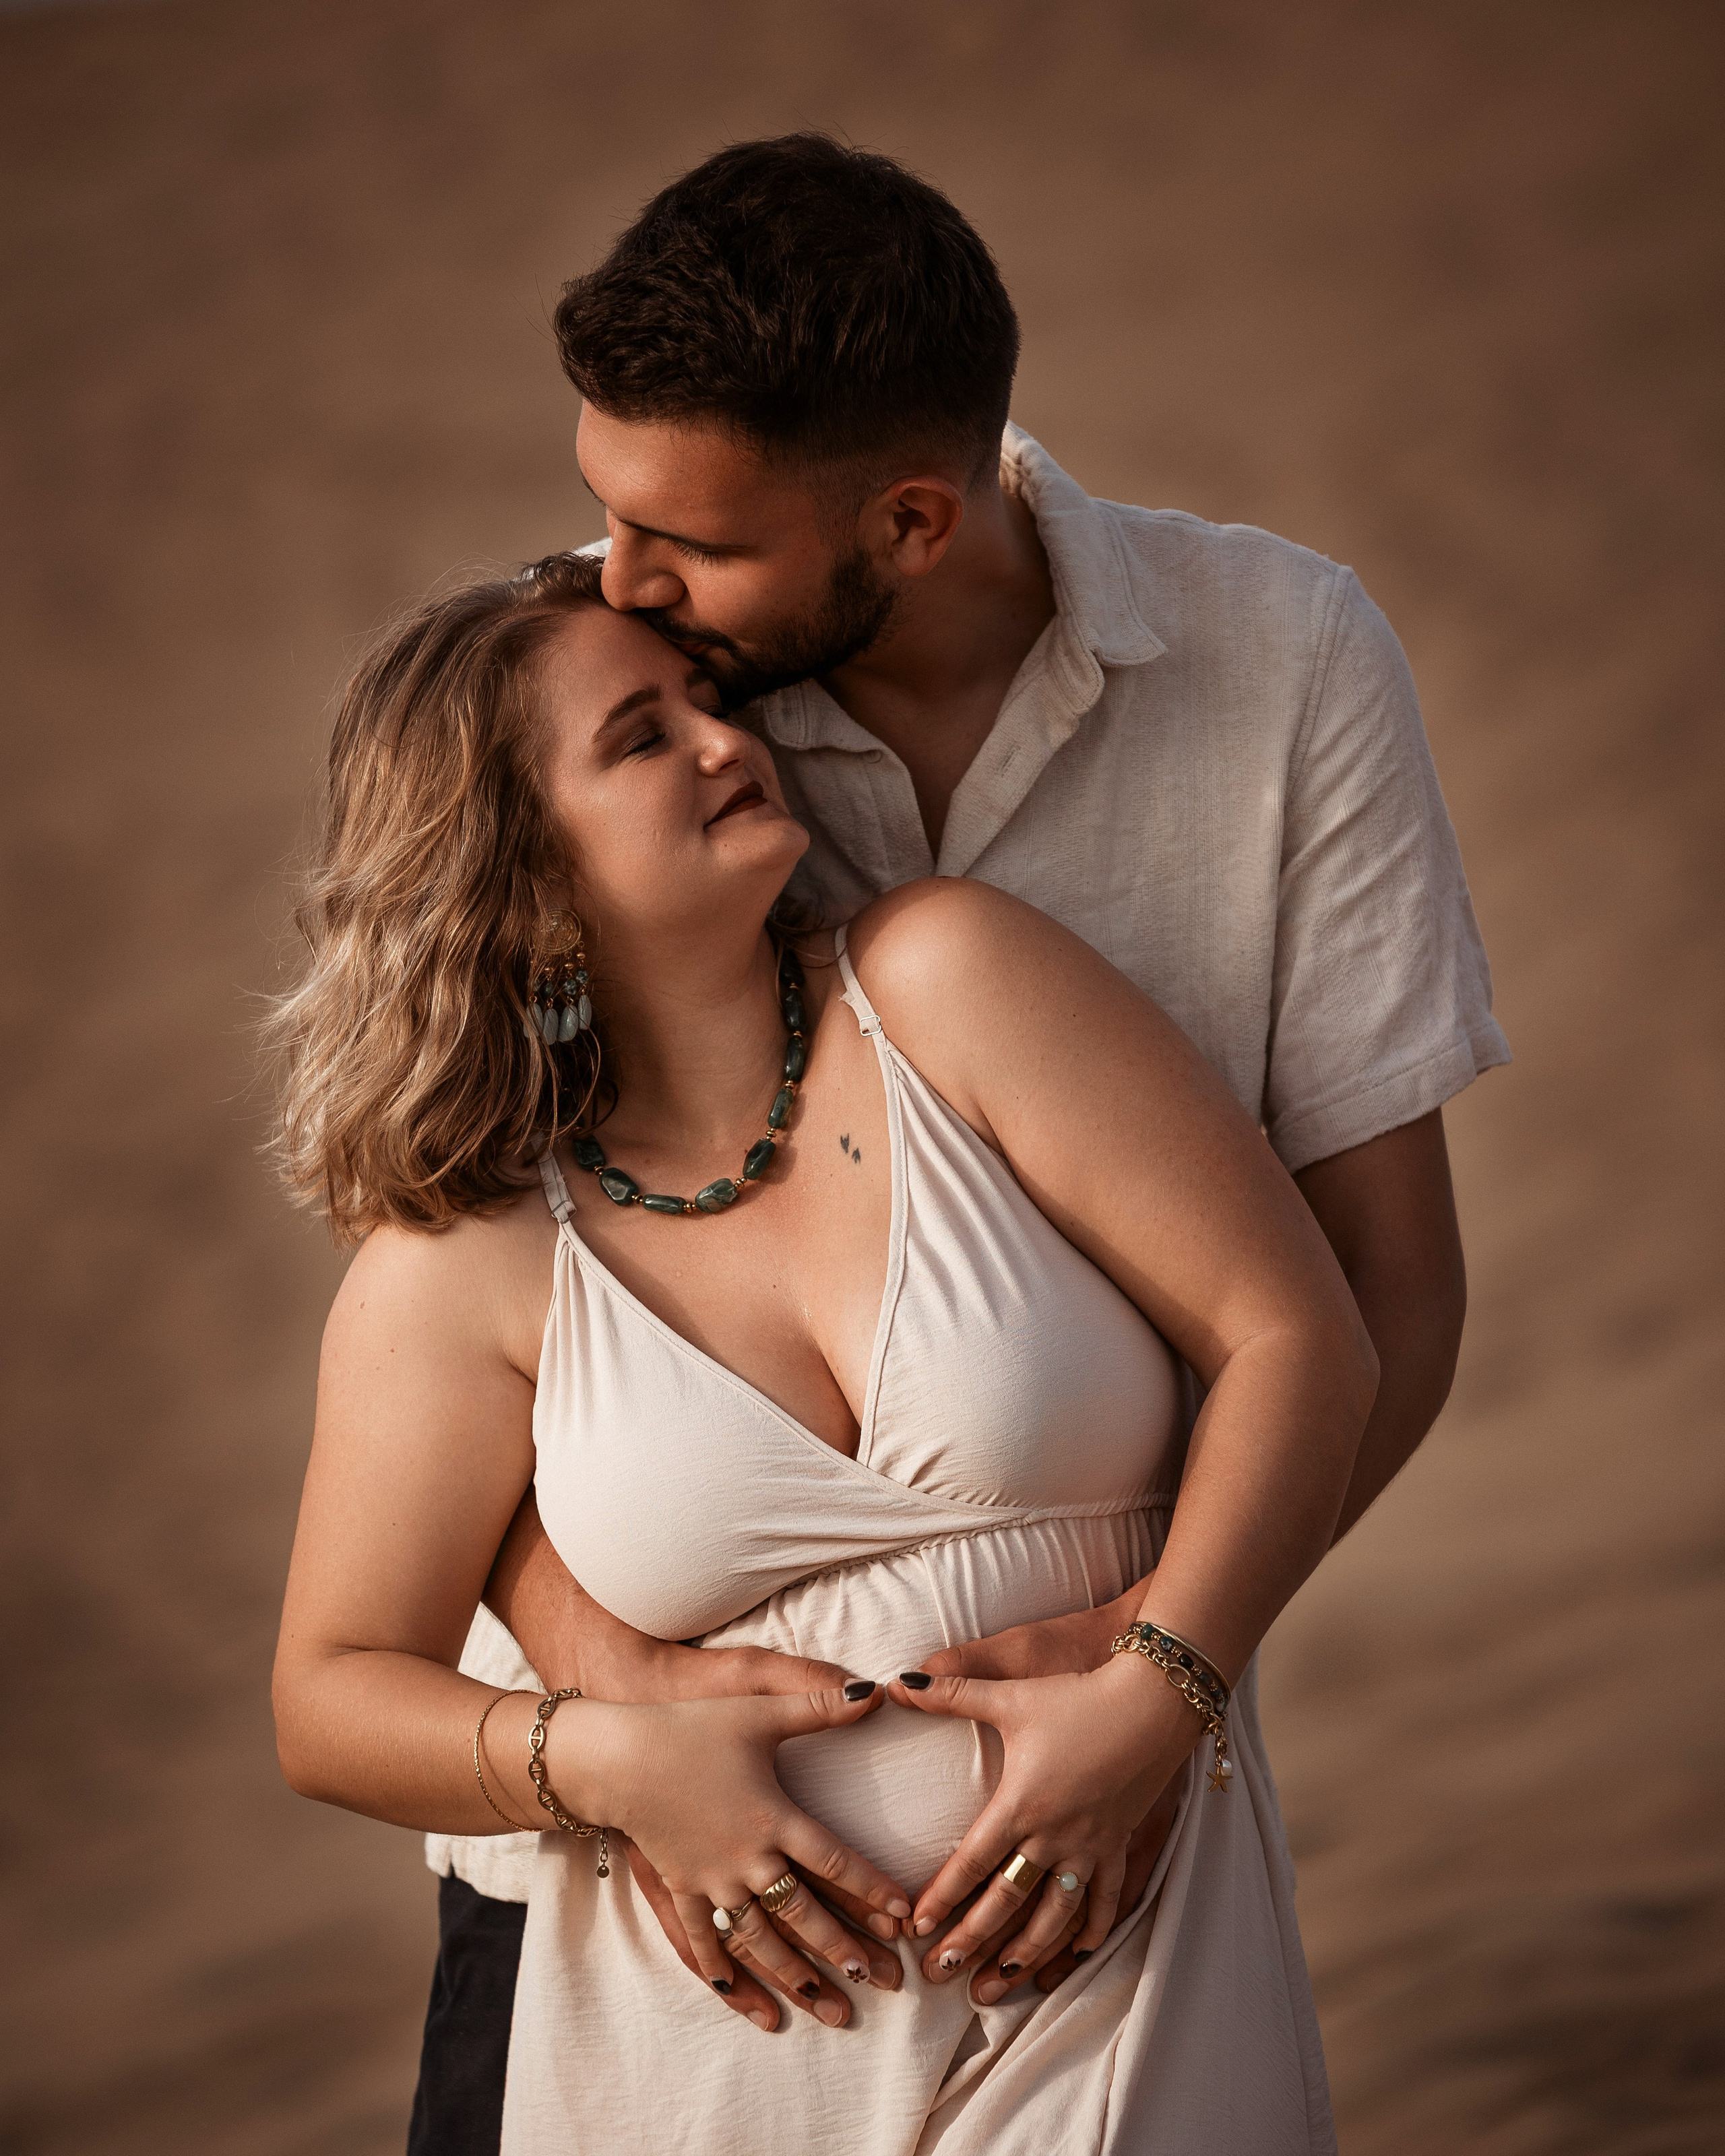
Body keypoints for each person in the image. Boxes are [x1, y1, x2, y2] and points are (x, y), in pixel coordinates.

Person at [388, 133, 1505, 2149]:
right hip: (616, 1895)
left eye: (681, 544)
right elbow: (468, 1298)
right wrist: (623, 1709)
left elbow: (1385, 1293)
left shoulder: (1280, 668)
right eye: (601, 512)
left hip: (1078, 1878)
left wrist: (1161, 1676)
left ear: (906, 520)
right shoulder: (627, 693)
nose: (610, 582)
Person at [270, 548, 1379, 2155]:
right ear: (518, 879)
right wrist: (617, 1764)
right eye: (639, 738)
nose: (726, 742)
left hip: (1128, 1965)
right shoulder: (469, 1258)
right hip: (715, 2050)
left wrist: (1158, 1694)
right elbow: (330, 1694)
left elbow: (1299, 1336)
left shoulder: (950, 983)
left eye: (706, 704)